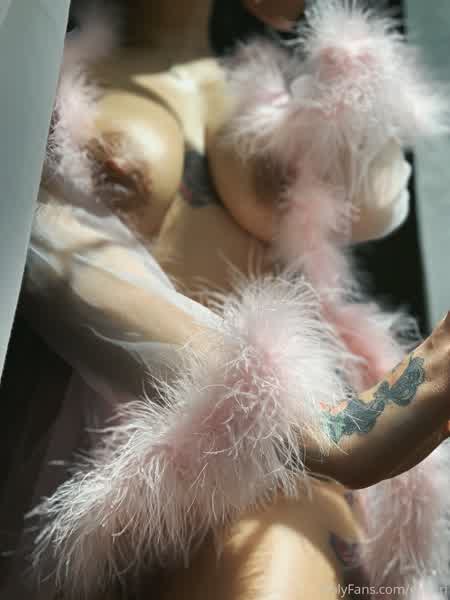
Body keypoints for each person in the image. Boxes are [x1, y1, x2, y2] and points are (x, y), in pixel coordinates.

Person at [25, 1, 450, 598]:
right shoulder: (37, 79)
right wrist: (317, 424)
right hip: (120, 453)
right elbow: (49, 258)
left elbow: (378, 197)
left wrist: (342, 54)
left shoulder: (280, 88)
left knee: (276, 527)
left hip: (287, 466)